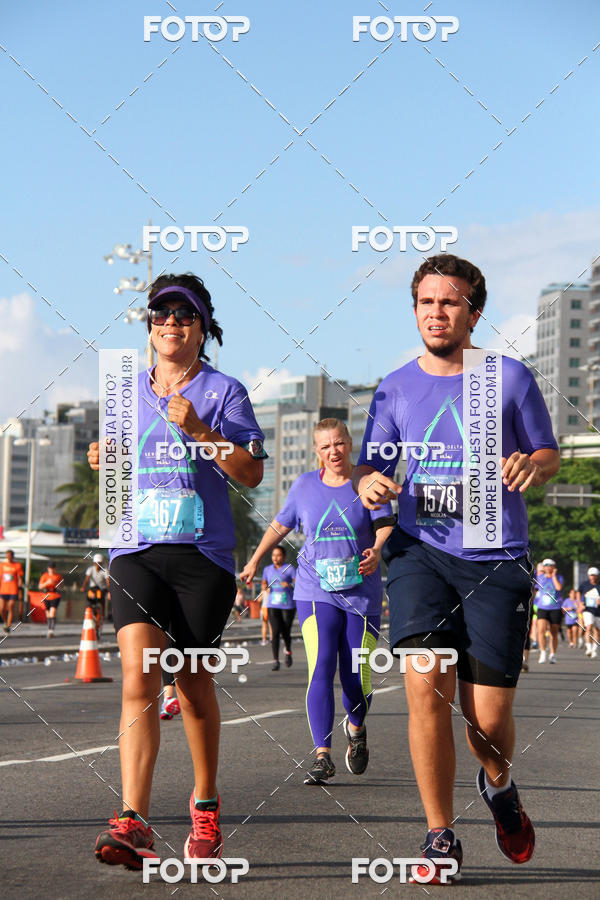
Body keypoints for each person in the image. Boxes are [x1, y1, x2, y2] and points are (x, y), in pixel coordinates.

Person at [353, 255, 560, 883]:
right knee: (425, 685)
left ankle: (497, 784)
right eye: (426, 302)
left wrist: (531, 465)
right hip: (419, 551)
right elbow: (371, 465)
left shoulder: (508, 377)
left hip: (495, 557)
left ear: (474, 312)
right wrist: (368, 485)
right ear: (414, 310)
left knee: (487, 723)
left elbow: (547, 453)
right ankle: (439, 834)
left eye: (450, 302)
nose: (437, 312)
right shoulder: (394, 387)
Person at [90, 273, 266, 870]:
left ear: (202, 328)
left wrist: (199, 431)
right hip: (135, 549)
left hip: (202, 557)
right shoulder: (123, 390)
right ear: (149, 326)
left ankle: (205, 804)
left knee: (191, 689)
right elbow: (119, 465)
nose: (170, 323)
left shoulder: (225, 391)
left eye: (183, 315)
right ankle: (133, 819)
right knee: (138, 679)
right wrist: (102, 458)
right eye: (160, 314)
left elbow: (250, 472)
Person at [242, 419, 394, 784]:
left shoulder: (366, 481)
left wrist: (376, 549)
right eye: (325, 446)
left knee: (357, 678)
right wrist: (255, 559)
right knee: (321, 664)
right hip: (315, 591)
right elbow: (280, 525)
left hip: (361, 594)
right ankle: (322, 754)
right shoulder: (304, 486)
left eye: (338, 443)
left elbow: (385, 522)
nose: (333, 451)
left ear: (349, 443)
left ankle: (356, 728)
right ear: (317, 451)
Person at [261, 546, 296, 670]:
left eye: (278, 555)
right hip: (273, 604)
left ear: (284, 557)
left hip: (288, 605)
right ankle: (275, 660)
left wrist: (290, 585)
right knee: (275, 632)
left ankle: (288, 651)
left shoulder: (290, 568)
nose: (275, 557)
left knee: (286, 631)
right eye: (273, 555)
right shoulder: (267, 569)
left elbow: (297, 583)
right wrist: (265, 587)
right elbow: (264, 582)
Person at [535, 559, 564, 664]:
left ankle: (552, 654)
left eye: (550, 565)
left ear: (554, 567)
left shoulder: (559, 577)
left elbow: (559, 588)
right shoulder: (540, 577)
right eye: (545, 565)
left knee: (553, 633)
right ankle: (543, 652)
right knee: (541, 630)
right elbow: (535, 589)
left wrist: (554, 576)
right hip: (542, 607)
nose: (547, 567)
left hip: (555, 608)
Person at [81, 553, 110, 640]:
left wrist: (109, 591)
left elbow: (108, 581)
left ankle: (101, 615)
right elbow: (87, 579)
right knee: (89, 598)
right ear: (94, 563)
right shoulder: (90, 569)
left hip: (102, 589)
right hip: (93, 588)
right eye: (96, 563)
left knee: (101, 602)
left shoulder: (104, 570)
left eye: (99, 563)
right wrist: (83, 587)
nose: (98, 565)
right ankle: (90, 609)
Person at [577, 566, 600, 659]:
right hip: (587, 610)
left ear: (598, 576)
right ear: (588, 576)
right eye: (591, 575)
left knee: (597, 631)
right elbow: (578, 592)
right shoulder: (584, 584)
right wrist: (580, 603)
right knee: (589, 627)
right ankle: (588, 648)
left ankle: (594, 649)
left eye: (594, 575)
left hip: (598, 611)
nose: (592, 577)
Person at [0, 549, 24, 635]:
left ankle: (8, 626)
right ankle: (5, 623)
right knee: (1, 609)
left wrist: (19, 586)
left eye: (10, 556)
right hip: (3, 590)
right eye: (7, 556)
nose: (8, 557)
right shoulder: (2, 565)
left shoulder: (17, 565)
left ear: (12, 556)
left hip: (13, 590)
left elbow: (20, 578)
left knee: (10, 607)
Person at [39, 562, 63, 638]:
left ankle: (51, 630)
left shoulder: (58, 576)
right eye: (50, 568)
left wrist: (56, 584)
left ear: (54, 569)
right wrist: (47, 583)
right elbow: (40, 586)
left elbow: (61, 586)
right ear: (48, 568)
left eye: (52, 568)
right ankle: (49, 628)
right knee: (48, 613)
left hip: (55, 595)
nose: (51, 569)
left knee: (52, 612)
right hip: (46, 596)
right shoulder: (44, 576)